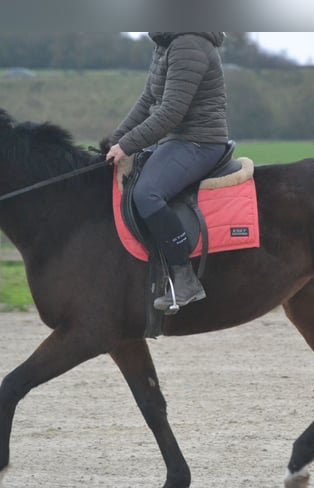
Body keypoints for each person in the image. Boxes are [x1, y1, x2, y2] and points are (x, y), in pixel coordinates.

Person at [106, 32, 229, 313]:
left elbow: (171, 112)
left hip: (199, 141)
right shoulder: (165, 44)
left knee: (147, 194)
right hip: (177, 140)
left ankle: (185, 278)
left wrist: (127, 145)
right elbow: (148, 101)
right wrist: (115, 140)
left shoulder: (189, 44)